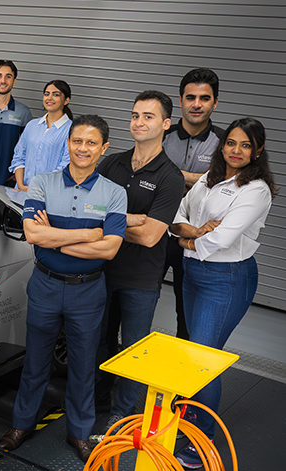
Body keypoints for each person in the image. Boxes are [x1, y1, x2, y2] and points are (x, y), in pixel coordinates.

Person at [0, 115, 127, 463]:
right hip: (45, 285)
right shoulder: (41, 183)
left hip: (88, 291)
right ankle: (22, 424)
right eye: (77, 141)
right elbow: (33, 235)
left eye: (91, 143)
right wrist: (88, 234)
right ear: (67, 143)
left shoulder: (114, 193)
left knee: (84, 366)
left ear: (104, 148)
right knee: (35, 361)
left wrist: (55, 238)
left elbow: (111, 248)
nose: (82, 149)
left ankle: (80, 432)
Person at [169, 118, 275, 469]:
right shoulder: (210, 178)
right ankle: (191, 415)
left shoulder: (255, 189)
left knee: (204, 358)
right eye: (231, 142)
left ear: (258, 150)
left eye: (245, 145)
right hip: (193, 272)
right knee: (191, 348)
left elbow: (221, 239)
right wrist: (193, 231)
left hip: (227, 279)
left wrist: (188, 238)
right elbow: (176, 215)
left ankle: (203, 439)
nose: (236, 150)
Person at [95, 91, 185, 420]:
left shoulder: (170, 178)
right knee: (100, 342)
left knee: (134, 351)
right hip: (102, 270)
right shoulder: (112, 163)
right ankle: (96, 403)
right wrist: (129, 220)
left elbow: (150, 237)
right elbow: (90, 211)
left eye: (148, 116)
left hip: (140, 280)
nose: (139, 121)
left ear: (165, 124)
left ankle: (123, 417)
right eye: (135, 115)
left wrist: (107, 223)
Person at [162, 68, 224, 340]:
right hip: (158, 232)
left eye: (204, 98)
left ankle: (177, 376)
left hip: (196, 237)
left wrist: (173, 175)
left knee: (186, 312)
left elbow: (223, 184)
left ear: (215, 102)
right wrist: (199, 179)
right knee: (137, 301)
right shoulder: (163, 134)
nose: (196, 104)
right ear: (180, 100)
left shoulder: (224, 142)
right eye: (190, 97)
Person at [9, 80, 73, 191]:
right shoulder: (32, 125)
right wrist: (21, 186)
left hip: (50, 193)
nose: (49, 98)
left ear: (66, 100)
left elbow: (66, 165)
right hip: (22, 191)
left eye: (56, 94)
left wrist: (39, 188)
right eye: (46, 94)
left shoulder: (72, 130)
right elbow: (19, 156)